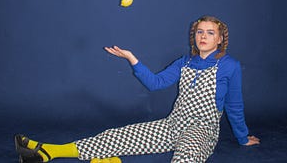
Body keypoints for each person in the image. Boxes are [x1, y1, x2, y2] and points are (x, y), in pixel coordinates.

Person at [15, 16, 260, 163]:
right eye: (199, 32)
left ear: (219, 39)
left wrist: (242, 137)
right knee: (114, 136)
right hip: (172, 125)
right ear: (193, 36)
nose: (203, 36)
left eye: (210, 33)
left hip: (202, 131)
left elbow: (234, 106)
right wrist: (132, 59)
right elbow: (155, 84)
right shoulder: (184, 61)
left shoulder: (229, 66)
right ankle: (48, 152)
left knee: (185, 158)